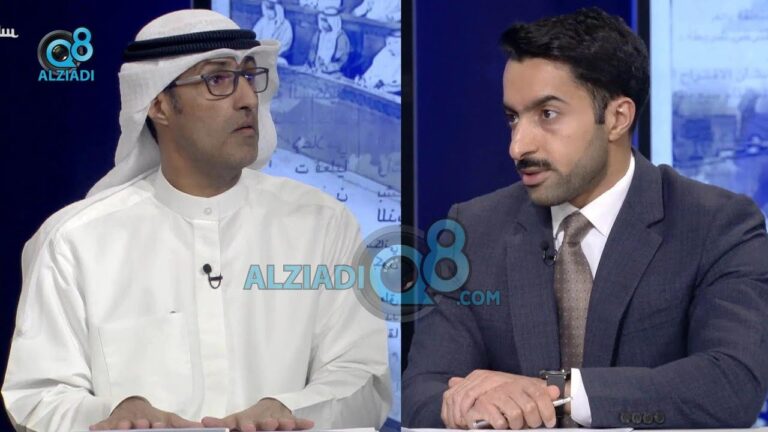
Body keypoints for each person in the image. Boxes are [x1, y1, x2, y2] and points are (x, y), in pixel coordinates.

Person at [2, 9, 390, 432]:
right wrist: (111, 415)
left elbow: (361, 380)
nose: (247, 99)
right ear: (159, 104)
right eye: (218, 79)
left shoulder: (324, 224)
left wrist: (287, 409)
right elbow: (38, 396)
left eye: (249, 76)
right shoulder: (75, 241)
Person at [403, 7, 768, 430]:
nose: (517, 147)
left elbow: (731, 385)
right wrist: (465, 405)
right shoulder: (473, 229)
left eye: (547, 114)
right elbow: (422, 392)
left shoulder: (717, 225)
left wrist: (557, 394)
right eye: (513, 118)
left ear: (617, 118)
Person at [307, 8, 350, 76]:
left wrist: (328, 67)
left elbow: (341, 61)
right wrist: (313, 62)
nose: (323, 24)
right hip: (315, 69)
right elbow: (312, 50)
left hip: (333, 72)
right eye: (322, 21)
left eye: (326, 21)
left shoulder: (341, 37)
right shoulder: (318, 34)